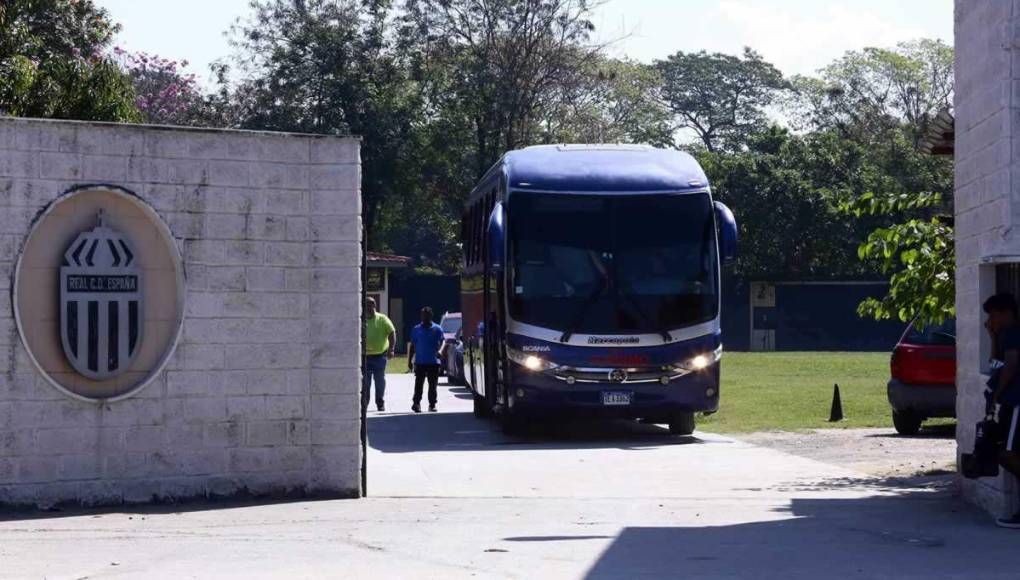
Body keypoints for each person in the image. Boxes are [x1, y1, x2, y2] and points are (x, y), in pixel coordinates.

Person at [983, 293, 1020, 528]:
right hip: (1009, 401)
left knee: (1008, 453)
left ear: (1006, 313)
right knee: (1005, 453)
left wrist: (997, 395)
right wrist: (993, 338)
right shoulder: (1004, 335)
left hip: (1016, 401)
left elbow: (1010, 366)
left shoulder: (1013, 333)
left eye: (994, 315)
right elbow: (994, 364)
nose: (991, 320)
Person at [408, 306, 446, 413]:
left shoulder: (437, 329)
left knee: (432, 385)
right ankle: (416, 403)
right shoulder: (416, 329)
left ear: (431, 316)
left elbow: (443, 341)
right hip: (420, 362)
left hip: (433, 362)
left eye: (427, 315)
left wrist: (440, 351)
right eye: (423, 315)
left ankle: (432, 404)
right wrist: (410, 361)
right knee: (418, 384)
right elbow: (412, 346)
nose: (424, 317)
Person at [363, 297, 395, 412]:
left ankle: (380, 403)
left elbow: (392, 333)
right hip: (365, 357)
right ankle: (364, 404)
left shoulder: (382, 319)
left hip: (380, 356)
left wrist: (391, 349)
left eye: (371, 305)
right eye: (367, 305)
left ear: (375, 306)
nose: (369, 307)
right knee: (365, 382)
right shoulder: (361, 319)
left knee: (379, 381)